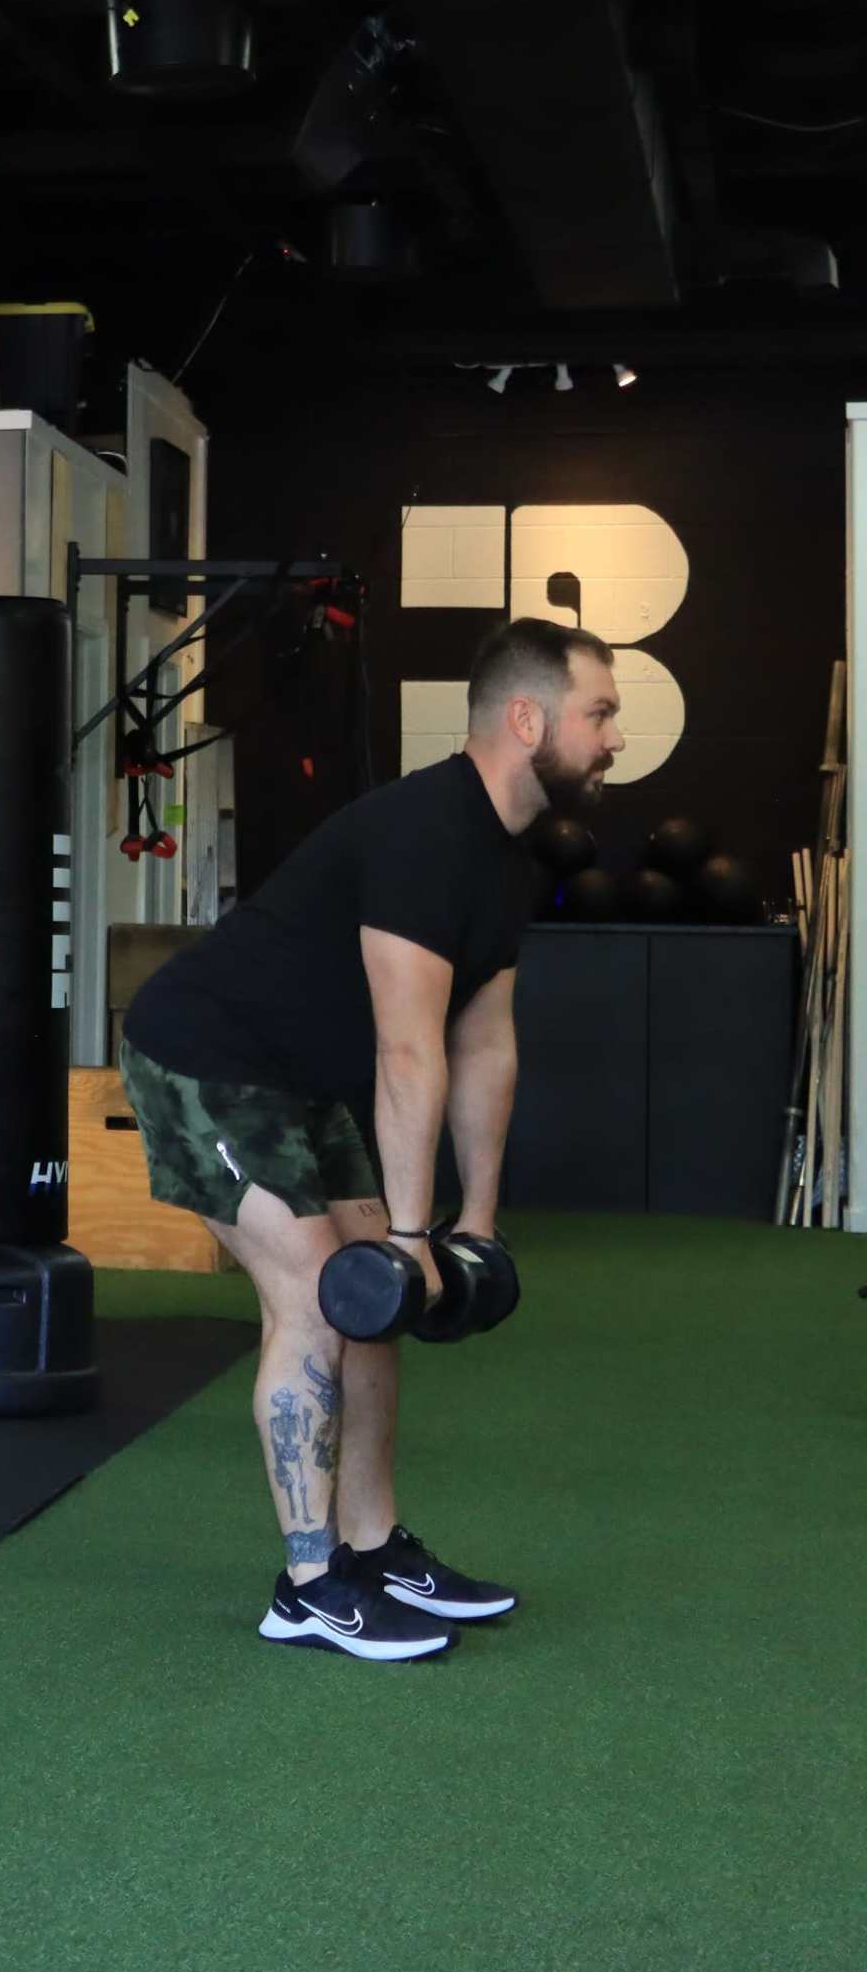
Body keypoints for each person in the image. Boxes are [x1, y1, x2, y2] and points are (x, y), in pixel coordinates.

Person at [119, 617, 611, 1661]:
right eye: (600, 713)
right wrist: (413, 1232)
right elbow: (407, 1049)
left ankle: (374, 1548)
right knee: (317, 1294)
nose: (614, 737)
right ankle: (309, 1588)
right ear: (528, 720)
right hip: (205, 1056)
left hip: (301, 1080)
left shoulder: (507, 859)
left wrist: (476, 1225)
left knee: (372, 1305)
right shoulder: (425, 832)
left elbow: (484, 1045)